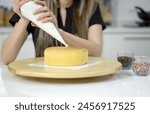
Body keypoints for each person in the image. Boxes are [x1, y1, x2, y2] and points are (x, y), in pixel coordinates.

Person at [1, 0, 106, 65]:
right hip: (44, 79)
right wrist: (25, 17)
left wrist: (58, 32)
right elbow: (6, 58)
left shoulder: (91, 6)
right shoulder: (36, 4)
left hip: (81, 79)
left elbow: (96, 51)